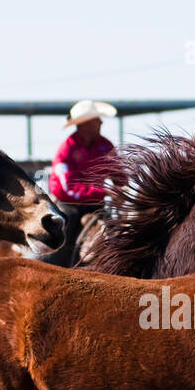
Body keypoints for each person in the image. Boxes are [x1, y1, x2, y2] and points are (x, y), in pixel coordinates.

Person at [44, 99, 118, 267]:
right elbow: (66, 190)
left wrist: (122, 188)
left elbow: (119, 175)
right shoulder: (67, 150)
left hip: (97, 205)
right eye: (96, 119)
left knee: (117, 234)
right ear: (84, 124)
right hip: (70, 205)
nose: (101, 122)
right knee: (63, 235)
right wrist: (104, 192)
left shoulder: (106, 146)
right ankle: (52, 267)